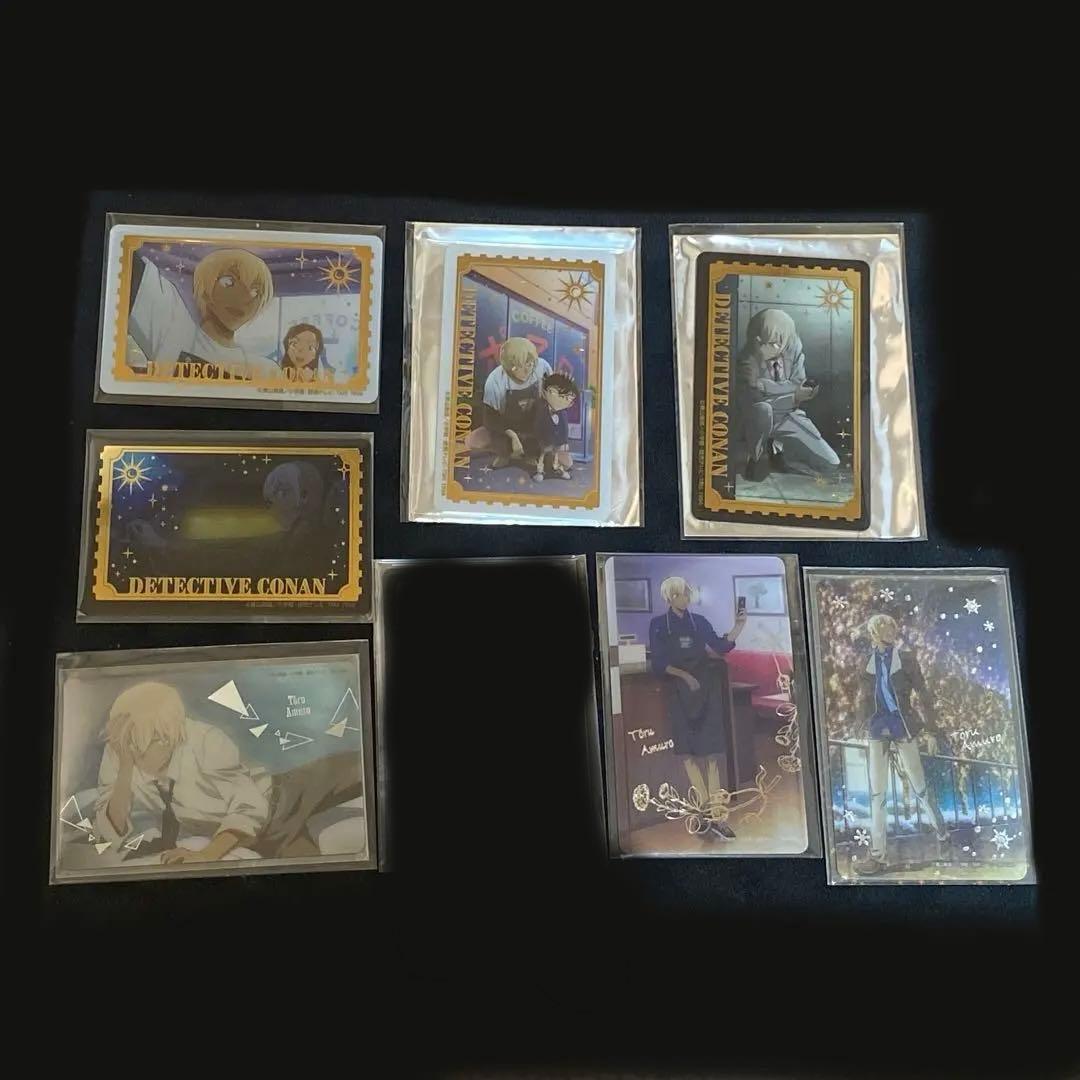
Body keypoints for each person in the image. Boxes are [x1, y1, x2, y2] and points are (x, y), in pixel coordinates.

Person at [92, 681, 362, 864]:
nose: (137, 752)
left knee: (357, 767)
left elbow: (248, 807)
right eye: (129, 741)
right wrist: (125, 770)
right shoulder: (120, 749)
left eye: (150, 740)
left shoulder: (205, 741)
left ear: (170, 734)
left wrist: (206, 856)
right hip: (243, 836)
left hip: (280, 801)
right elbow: (110, 825)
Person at [649, 577, 748, 838]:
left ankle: (718, 816)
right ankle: (705, 813)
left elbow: (720, 646)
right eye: (681, 594)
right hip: (679, 695)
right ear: (670, 597)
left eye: (687, 593)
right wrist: (685, 676)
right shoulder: (658, 625)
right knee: (689, 756)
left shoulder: (699, 622)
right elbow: (659, 664)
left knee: (712, 755)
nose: (686, 597)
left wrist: (738, 626)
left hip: (705, 693)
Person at [853, 614, 949, 876]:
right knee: (877, 794)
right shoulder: (867, 663)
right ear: (874, 632)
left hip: (902, 726)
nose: (892, 631)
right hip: (877, 729)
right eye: (886, 627)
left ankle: (941, 831)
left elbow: (924, 695)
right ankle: (878, 856)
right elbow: (864, 699)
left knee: (919, 787)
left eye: (893, 627)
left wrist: (932, 731)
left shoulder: (906, 659)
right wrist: (859, 725)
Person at [126, 247, 280, 380]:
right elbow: (128, 268)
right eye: (229, 282)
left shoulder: (267, 371)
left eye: (255, 291)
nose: (244, 298)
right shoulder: (173, 330)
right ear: (205, 290)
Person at [736, 308, 840, 482]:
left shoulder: (793, 349)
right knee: (763, 409)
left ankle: (777, 449)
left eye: (776, 342)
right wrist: (793, 395)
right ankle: (757, 457)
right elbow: (754, 401)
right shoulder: (746, 360)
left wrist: (768, 386)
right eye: (762, 341)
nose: (765, 347)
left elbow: (798, 382)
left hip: (788, 414)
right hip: (757, 419)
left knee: (831, 462)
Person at [464, 337, 553, 468]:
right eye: (518, 367)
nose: (525, 371)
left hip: (534, 425)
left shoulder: (543, 367)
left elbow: (552, 402)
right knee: (473, 440)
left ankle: (531, 455)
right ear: (507, 367)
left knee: (564, 460)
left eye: (529, 365)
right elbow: (490, 418)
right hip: (506, 427)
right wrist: (512, 436)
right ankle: (505, 454)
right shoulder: (495, 380)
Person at [527, 371, 578, 482]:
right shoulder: (541, 410)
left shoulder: (562, 413)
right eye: (564, 397)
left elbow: (564, 429)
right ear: (550, 392)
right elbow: (537, 427)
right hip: (544, 442)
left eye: (569, 399)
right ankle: (539, 471)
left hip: (557, 441)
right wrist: (543, 441)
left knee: (561, 458)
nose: (568, 403)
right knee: (542, 455)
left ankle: (557, 468)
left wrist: (564, 442)